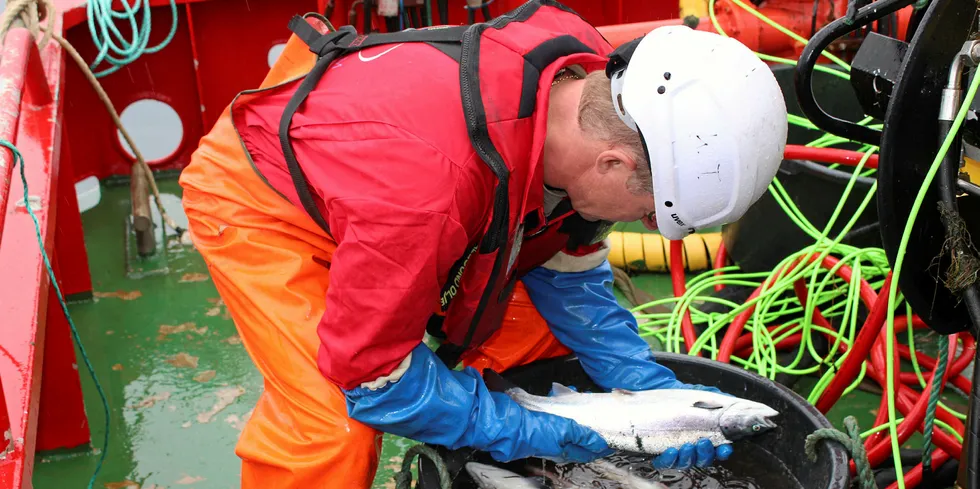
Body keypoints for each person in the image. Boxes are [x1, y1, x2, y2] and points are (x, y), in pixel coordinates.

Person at [178, 1, 788, 487]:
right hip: (273, 198)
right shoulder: (426, 192)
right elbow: (370, 376)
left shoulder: (601, 93)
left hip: (402, 195)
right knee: (330, 426)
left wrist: (646, 386)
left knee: (536, 343)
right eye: (650, 213)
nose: (647, 229)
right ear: (610, 162)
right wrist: (517, 427)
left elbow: (565, 253)